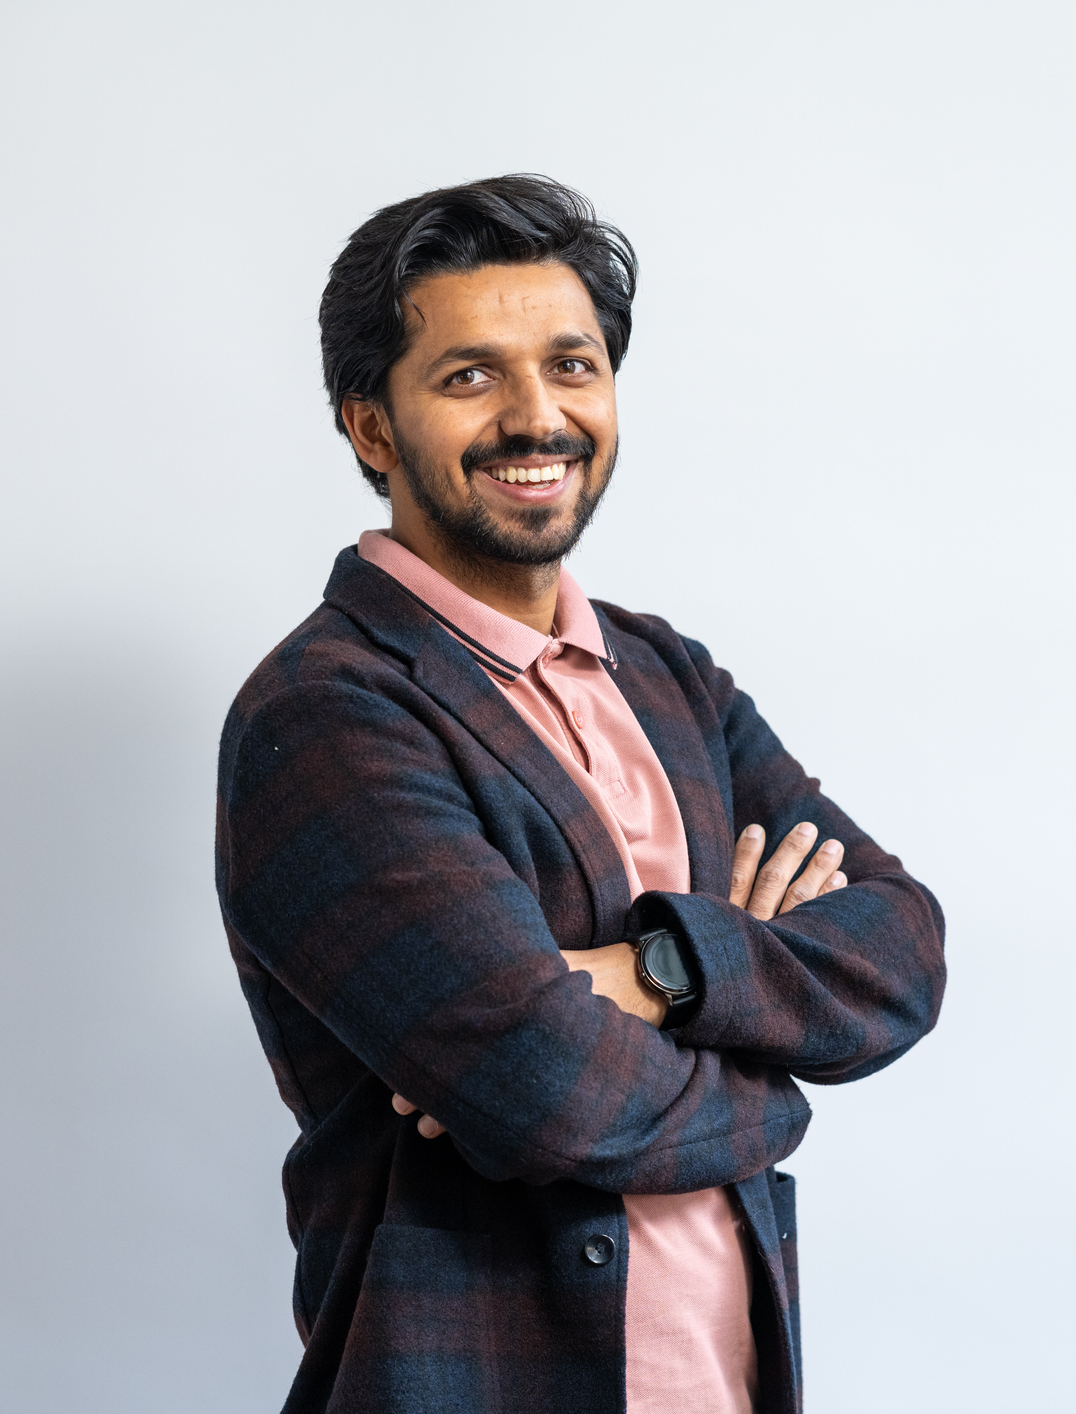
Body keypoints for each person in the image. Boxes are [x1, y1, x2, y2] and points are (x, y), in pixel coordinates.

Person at [214, 174, 946, 1414]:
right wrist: (774, 1056)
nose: (536, 416)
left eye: (572, 366)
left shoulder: (669, 677)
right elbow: (551, 1094)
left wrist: (653, 975)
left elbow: (903, 953)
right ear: (372, 428)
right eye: (470, 376)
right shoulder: (327, 715)